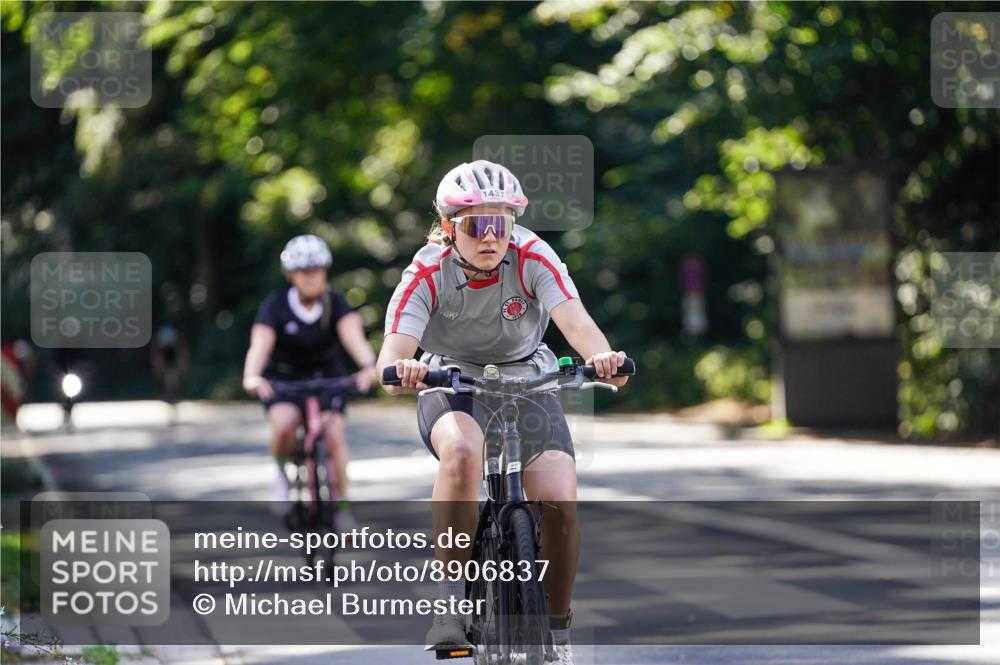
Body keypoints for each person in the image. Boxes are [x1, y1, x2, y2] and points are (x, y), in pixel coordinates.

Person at [376, 160, 629, 664]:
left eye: (501, 223)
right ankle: (450, 604)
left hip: (527, 378)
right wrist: (402, 370)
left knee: (559, 497)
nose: (490, 237)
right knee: (463, 454)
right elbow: (394, 351)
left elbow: (574, 320)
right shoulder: (427, 271)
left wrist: (603, 357)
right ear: (449, 228)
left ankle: (557, 628)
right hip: (452, 379)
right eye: (475, 224)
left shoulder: (533, 254)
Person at [243, 234, 377, 529]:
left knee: (334, 438)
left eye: (317, 270)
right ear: (291, 275)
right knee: (283, 425)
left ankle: (342, 508)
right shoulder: (275, 305)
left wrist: (368, 367)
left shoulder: (336, 302)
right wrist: (252, 375)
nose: (312, 277)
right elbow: (260, 344)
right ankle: (281, 474)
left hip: (326, 378)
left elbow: (354, 337)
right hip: (284, 379)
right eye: (304, 272)